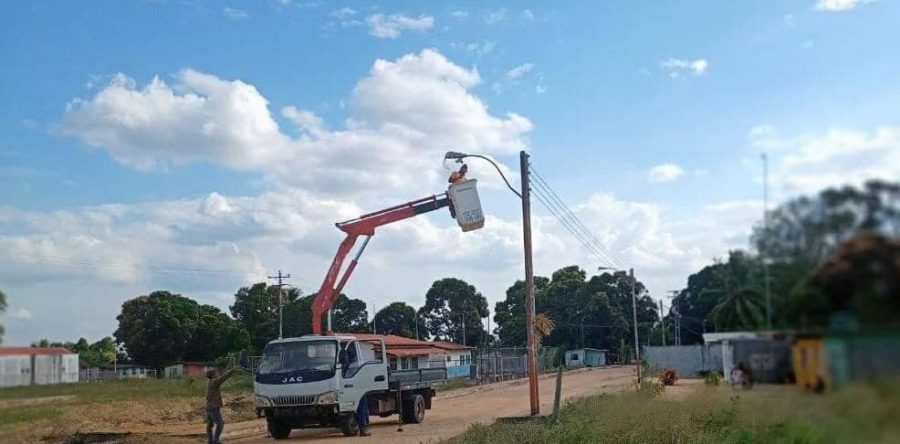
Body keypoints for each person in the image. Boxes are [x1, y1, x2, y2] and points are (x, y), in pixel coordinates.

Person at [206, 367, 240, 444]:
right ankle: (216, 441)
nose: (217, 374)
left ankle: (210, 440)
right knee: (220, 424)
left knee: (210, 424)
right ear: (213, 376)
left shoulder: (209, 382)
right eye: (215, 373)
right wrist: (232, 371)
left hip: (209, 406)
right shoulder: (214, 382)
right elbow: (223, 378)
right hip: (214, 407)